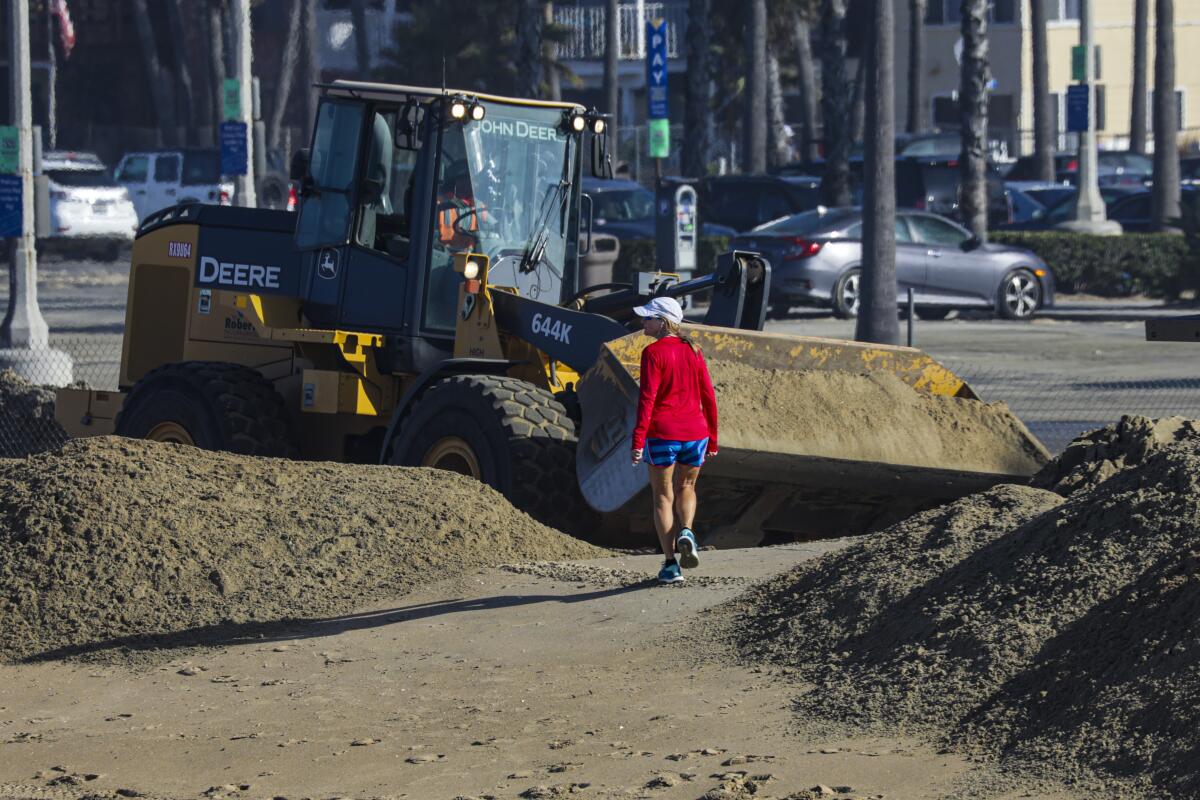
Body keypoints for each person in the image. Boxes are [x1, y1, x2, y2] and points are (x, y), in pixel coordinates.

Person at [630, 296, 719, 585]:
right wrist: (713, 439)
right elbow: (708, 395)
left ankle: (670, 565)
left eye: (648, 318)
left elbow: (647, 399)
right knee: (688, 486)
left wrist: (638, 440)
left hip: (662, 433)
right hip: (696, 433)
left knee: (663, 497)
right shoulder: (694, 350)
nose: (644, 322)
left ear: (663, 322)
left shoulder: (653, 353)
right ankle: (687, 531)